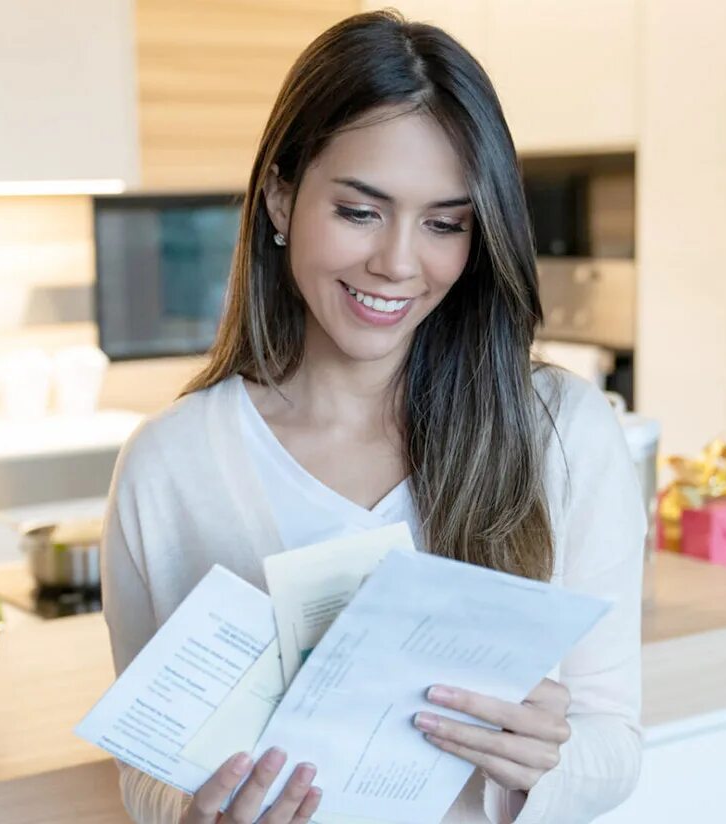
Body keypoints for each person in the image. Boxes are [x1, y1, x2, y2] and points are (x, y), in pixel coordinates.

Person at [101, 10, 645, 823]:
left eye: (444, 223)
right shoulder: (170, 465)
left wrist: (534, 767)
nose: (397, 262)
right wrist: (194, 813)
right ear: (281, 197)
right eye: (359, 211)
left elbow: (613, 744)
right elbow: (146, 763)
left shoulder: (561, 434)